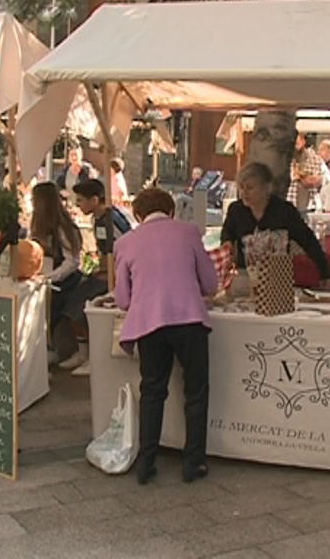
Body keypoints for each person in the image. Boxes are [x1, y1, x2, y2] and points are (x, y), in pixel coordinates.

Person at [114, 188, 218, 485]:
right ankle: (193, 462)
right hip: (189, 320)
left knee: (153, 390)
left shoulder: (126, 242)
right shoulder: (189, 232)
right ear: (171, 211)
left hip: (150, 323)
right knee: (196, 390)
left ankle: (146, 462)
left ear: (137, 215)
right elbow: (210, 283)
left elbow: (123, 299)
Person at [63, 179, 135, 376]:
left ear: (94, 200)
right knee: (73, 301)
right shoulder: (98, 220)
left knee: (82, 305)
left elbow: (124, 249)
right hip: (105, 271)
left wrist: (109, 270)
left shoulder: (112, 220)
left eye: (80, 200)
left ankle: (91, 356)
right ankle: (83, 351)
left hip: (117, 276)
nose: (78, 205)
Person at [221, 163, 330, 283]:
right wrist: (228, 243)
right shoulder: (235, 210)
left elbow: (308, 241)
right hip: (246, 276)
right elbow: (228, 233)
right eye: (241, 187)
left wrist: (324, 273)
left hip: (278, 279)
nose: (244, 193)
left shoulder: (284, 211)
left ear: (266, 188)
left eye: (250, 188)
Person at [30, 182, 84, 366]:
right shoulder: (43, 225)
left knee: (57, 313)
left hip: (65, 282)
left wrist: (50, 277)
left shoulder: (62, 228)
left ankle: (70, 352)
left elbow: (72, 261)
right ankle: (53, 349)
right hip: (50, 278)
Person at [288, 133, 325, 214]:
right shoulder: (281, 157)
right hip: (288, 200)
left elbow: (325, 179)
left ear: (303, 141)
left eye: (297, 142)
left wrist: (314, 180)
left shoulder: (315, 158)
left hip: (307, 201)